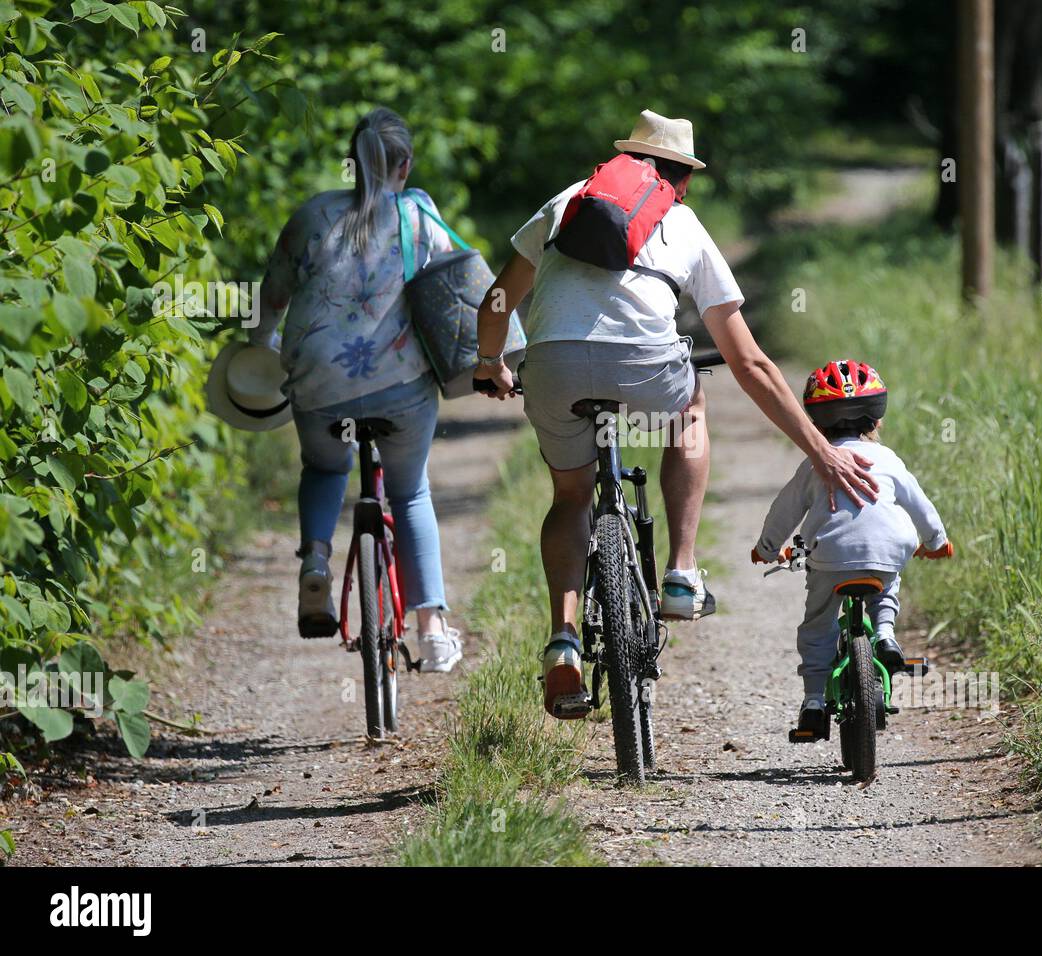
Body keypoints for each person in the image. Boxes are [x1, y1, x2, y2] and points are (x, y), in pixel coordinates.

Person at [473, 109, 879, 718]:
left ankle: (562, 641)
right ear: (679, 178)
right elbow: (751, 364)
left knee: (571, 497)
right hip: (644, 367)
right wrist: (820, 452)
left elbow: (498, 300)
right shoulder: (682, 221)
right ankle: (682, 574)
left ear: (622, 161)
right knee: (689, 405)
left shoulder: (566, 203)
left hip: (552, 363)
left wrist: (491, 364)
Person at [247, 107, 463, 672]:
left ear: (353, 159)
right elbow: (457, 289)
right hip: (401, 390)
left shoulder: (313, 218)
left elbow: (270, 298)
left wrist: (261, 346)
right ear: (405, 165)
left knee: (323, 469)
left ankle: (315, 564)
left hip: (319, 385)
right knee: (410, 493)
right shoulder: (419, 217)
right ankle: (433, 629)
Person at [751, 359, 952, 737]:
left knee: (818, 625)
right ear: (876, 420)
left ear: (815, 423)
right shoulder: (889, 459)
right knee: (886, 583)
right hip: (887, 552)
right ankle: (886, 634)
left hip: (828, 557)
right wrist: (937, 542)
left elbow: (785, 510)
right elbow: (920, 505)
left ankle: (812, 702)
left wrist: (766, 547)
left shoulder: (815, 464)